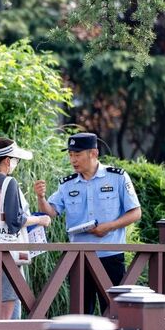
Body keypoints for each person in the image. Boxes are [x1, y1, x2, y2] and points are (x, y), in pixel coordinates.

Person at [34, 132, 142, 315]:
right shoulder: (67, 184)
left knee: (115, 314)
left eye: (77, 154)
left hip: (111, 255)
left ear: (94, 153)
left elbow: (136, 212)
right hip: (79, 257)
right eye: (70, 155)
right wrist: (41, 197)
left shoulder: (118, 177)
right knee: (81, 314)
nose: (73, 160)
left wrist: (108, 227)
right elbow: (51, 212)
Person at [0, 137, 51, 319]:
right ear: (7, 161)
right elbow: (14, 222)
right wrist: (40, 220)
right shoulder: (8, 182)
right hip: (5, 253)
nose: (16, 164)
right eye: (16, 160)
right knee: (7, 308)